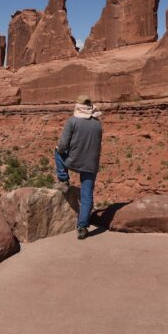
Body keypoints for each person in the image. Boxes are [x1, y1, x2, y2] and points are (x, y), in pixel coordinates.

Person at [55, 95, 103, 240]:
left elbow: (63, 145)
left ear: (78, 106)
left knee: (57, 151)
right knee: (87, 195)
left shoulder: (73, 121)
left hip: (74, 161)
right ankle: (82, 227)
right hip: (91, 164)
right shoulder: (97, 123)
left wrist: (61, 149)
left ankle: (63, 180)